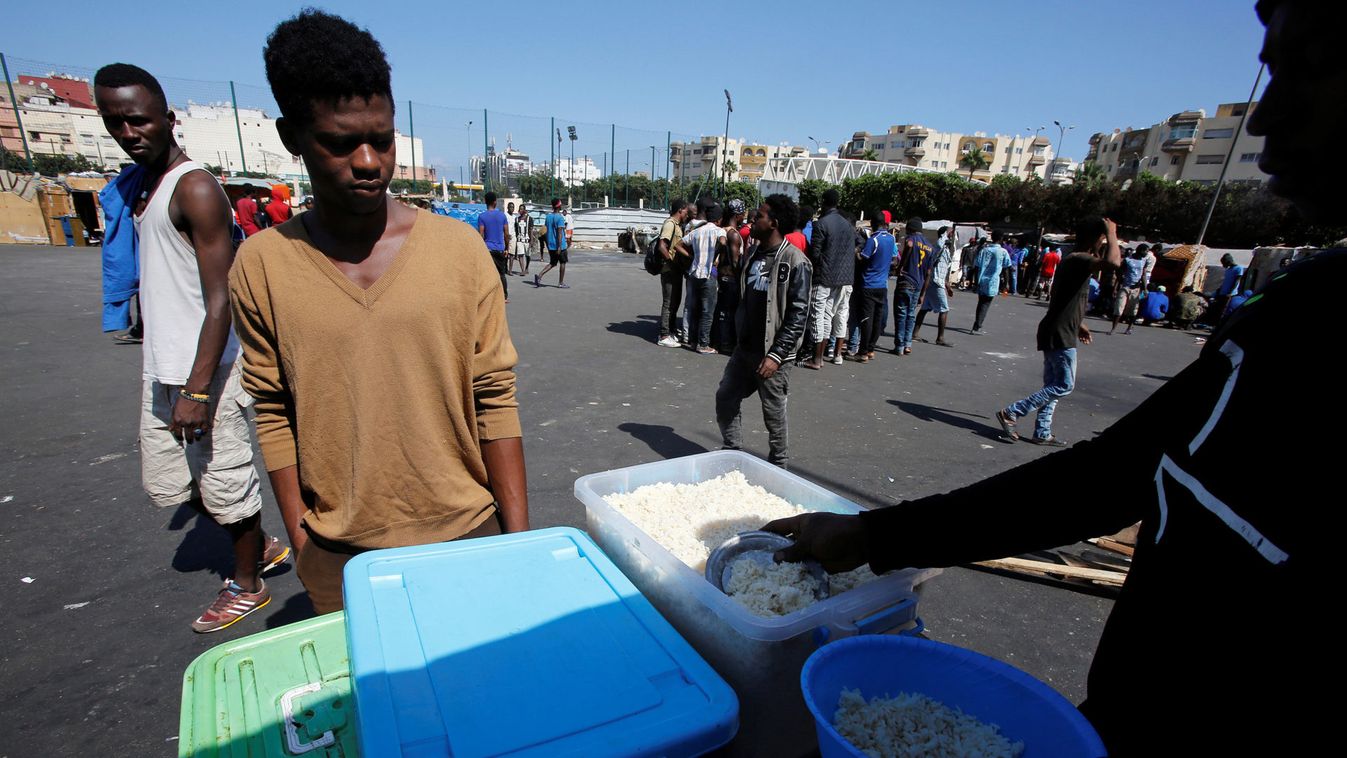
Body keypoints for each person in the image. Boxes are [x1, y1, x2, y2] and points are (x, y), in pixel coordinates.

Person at [764, 6, 1343, 749]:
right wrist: (873, 535)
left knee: (1056, 387)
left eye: (1309, 64)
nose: (1264, 118)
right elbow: (1108, 477)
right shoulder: (1287, 313)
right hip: (1116, 720)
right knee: (1055, 388)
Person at [230, 10, 528, 613]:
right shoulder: (261, 266)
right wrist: (303, 539)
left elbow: (495, 394)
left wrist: (517, 543)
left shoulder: (459, 251)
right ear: (292, 137)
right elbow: (272, 409)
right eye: (341, 143)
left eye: (383, 139)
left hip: (469, 536)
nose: (368, 161)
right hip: (341, 557)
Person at [95, 62, 288, 633]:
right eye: (116, 123)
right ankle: (260, 545)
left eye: (138, 120)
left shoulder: (195, 187)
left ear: (168, 119)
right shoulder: (143, 188)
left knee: (225, 478)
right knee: (177, 483)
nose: (129, 133)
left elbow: (222, 297)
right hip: (168, 362)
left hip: (210, 369)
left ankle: (248, 584)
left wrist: (200, 389)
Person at [714, 194, 812, 468]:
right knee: (726, 397)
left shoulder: (795, 261)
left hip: (772, 355)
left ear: (774, 223)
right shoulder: (754, 253)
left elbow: (798, 314)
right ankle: (732, 452)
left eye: (759, 216)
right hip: (744, 350)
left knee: (773, 414)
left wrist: (776, 356)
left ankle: (779, 466)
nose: (753, 219)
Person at [803, 189, 854, 369]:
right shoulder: (847, 225)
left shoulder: (821, 224)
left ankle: (817, 358)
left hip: (824, 276)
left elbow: (815, 253)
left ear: (824, 203)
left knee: (818, 315)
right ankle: (821, 356)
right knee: (831, 316)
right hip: (843, 278)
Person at [675, 198, 726, 354]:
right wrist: (717, 253)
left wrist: (691, 257)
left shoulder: (697, 231)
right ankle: (703, 344)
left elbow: (678, 245)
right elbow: (723, 242)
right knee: (707, 312)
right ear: (718, 220)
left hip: (694, 273)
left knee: (695, 310)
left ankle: (692, 341)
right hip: (709, 275)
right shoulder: (719, 231)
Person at [851, 211, 895, 362]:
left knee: (866, 319)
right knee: (877, 318)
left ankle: (862, 351)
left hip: (869, 284)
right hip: (882, 285)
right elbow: (893, 259)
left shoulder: (873, 240)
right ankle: (871, 349)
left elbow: (863, 258)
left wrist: (856, 251)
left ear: (873, 224)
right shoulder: (891, 238)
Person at [890, 219, 933, 356]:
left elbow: (908, 246)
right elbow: (928, 273)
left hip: (906, 280)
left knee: (901, 313)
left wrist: (900, 267)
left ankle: (899, 346)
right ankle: (908, 344)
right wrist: (923, 293)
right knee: (910, 314)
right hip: (919, 284)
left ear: (910, 229)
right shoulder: (929, 247)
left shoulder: (911, 240)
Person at [712, 199, 748, 353]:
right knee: (728, 312)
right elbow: (735, 261)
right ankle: (725, 343)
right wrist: (742, 280)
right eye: (742, 214)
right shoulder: (733, 234)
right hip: (730, 278)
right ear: (738, 215)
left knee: (721, 310)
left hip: (721, 276)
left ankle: (717, 340)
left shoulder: (721, 230)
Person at [912, 225, 956, 348]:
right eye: (950, 234)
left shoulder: (946, 250)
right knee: (944, 309)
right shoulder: (939, 245)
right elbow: (941, 240)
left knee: (925, 308)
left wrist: (948, 286)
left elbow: (943, 269)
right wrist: (947, 230)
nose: (952, 235)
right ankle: (940, 338)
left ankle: (914, 333)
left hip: (937, 281)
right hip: (935, 282)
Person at [656, 199, 690, 347]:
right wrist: (670, 263)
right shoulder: (670, 224)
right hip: (670, 270)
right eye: (686, 212)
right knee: (669, 302)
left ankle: (670, 331)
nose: (687, 214)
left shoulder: (677, 225)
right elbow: (662, 246)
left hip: (675, 270)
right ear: (681, 210)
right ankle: (663, 335)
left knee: (675, 302)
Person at [970, 230, 1012, 335]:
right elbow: (1006, 269)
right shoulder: (1003, 252)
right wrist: (1006, 283)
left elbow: (976, 267)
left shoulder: (984, 250)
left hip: (981, 280)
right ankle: (977, 326)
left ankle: (977, 323)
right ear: (1001, 239)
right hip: (993, 281)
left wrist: (974, 282)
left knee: (981, 303)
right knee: (986, 303)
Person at [478, 191, 511, 301]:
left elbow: (481, 234)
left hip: (488, 249)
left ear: (485, 202)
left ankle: (487, 297)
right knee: (501, 273)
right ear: (495, 202)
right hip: (500, 249)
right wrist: (507, 248)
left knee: (487, 274)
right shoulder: (502, 216)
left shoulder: (482, 216)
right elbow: (506, 234)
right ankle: (504, 296)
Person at [1110, 244, 1149, 335]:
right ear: (1141, 250)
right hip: (1125, 287)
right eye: (1146, 251)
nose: (1147, 253)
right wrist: (1115, 288)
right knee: (1119, 307)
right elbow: (1119, 274)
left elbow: (1143, 275)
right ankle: (1113, 328)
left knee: (1133, 309)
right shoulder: (1128, 260)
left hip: (1136, 288)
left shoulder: (1144, 261)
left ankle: (1129, 328)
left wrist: (1145, 288)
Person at [1202, 253, 1246, 325]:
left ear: (1228, 261)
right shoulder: (1228, 270)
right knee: (1218, 309)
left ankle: (1219, 324)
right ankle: (1214, 323)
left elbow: (1236, 281)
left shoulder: (1239, 268)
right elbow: (1226, 281)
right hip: (1222, 292)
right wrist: (1219, 290)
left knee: (1224, 310)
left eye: (1224, 263)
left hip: (1230, 294)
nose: (1223, 266)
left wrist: (1230, 292)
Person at [534, 198, 569, 288]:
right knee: (563, 262)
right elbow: (559, 233)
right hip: (559, 245)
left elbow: (545, 230)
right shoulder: (560, 218)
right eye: (561, 204)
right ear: (558, 206)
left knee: (552, 263)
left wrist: (548, 243)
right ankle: (560, 283)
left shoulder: (548, 217)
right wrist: (559, 246)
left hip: (551, 245)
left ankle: (540, 275)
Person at [511, 202, 531, 276]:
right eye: (520, 209)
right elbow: (516, 230)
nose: (521, 210)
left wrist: (531, 240)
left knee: (528, 255)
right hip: (519, 239)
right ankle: (522, 270)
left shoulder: (529, 219)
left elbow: (530, 230)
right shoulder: (516, 220)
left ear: (525, 210)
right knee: (520, 255)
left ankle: (526, 268)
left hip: (527, 239)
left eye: (523, 209)